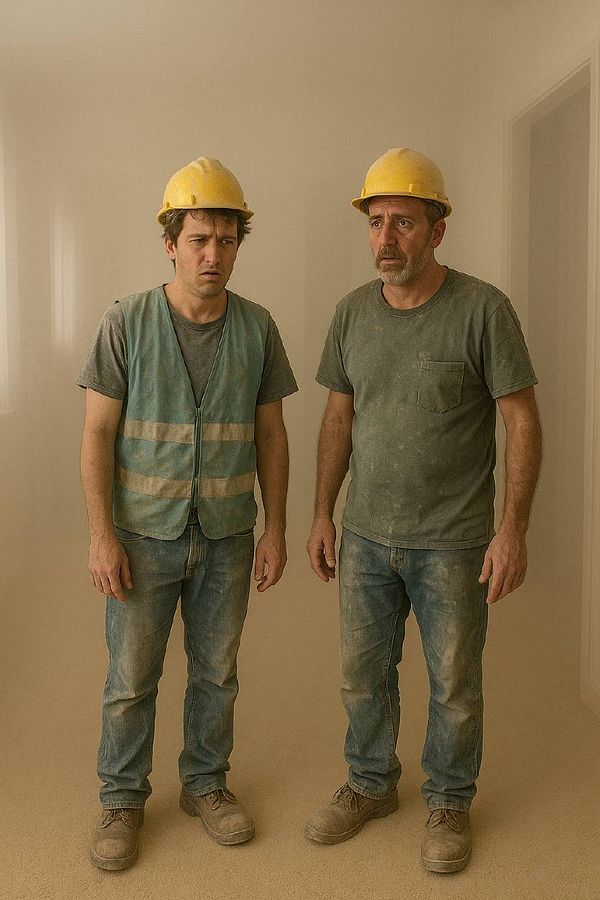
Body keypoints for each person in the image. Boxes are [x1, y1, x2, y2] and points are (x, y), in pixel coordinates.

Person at [305, 148, 541, 873]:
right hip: (366, 537)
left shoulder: (482, 309)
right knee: (362, 675)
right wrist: (322, 513)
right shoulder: (352, 313)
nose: (385, 239)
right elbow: (338, 419)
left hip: (454, 541)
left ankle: (449, 801)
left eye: (403, 222)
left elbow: (522, 421)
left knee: (455, 686)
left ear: (438, 229)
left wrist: (512, 529)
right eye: (376, 222)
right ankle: (370, 783)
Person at [79, 157, 298, 870]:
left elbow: (271, 435)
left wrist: (276, 528)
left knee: (217, 672)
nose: (213, 255)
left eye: (227, 241)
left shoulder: (258, 328)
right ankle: (122, 799)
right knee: (130, 679)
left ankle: (206, 783)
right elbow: (96, 434)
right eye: (199, 239)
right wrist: (101, 536)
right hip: (142, 536)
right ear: (170, 242)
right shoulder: (127, 321)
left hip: (228, 535)